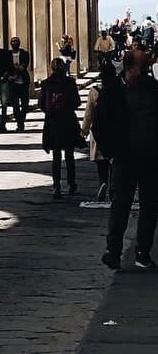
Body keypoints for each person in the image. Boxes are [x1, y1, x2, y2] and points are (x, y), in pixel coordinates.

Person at [93, 48, 158, 270]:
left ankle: (143, 251)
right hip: (124, 158)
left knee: (151, 205)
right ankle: (113, 251)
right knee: (121, 204)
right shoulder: (111, 92)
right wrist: (110, 154)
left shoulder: (152, 88)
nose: (147, 69)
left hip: (151, 157)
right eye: (143, 66)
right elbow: (98, 125)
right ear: (131, 68)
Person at [39, 58, 82, 199]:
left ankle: (56, 186)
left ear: (51, 68)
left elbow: (42, 104)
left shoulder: (46, 84)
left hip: (53, 122)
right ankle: (71, 184)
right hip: (68, 121)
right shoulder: (70, 83)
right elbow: (77, 102)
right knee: (69, 155)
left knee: (56, 156)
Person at [82, 59, 116, 203]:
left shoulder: (94, 91)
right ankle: (113, 189)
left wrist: (84, 130)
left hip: (98, 131)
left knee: (100, 161)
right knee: (114, 161)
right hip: (114, 130)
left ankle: (103, 183)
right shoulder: (118, 89)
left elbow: (88, 113)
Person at [8, 36, 31, 131]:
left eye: (16, 41)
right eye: (13, 41)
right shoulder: (8, 55)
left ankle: (22, 119)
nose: (14, 43)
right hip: (13, 84)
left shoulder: (24, 53)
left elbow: (23, 67)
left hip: (23, 82)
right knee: (15, 105)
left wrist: (17, 68)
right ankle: (19, 123)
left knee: (25, 104)